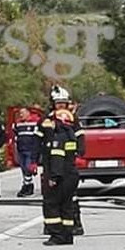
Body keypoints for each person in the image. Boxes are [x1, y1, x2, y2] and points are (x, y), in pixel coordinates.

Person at [38, 85, 85, 234]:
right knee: (50, 195)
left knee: (70, 196)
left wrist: (80, 154)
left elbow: (80, 137)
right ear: (53, 104)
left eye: (63, 103)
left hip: (68, 162)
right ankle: (52, 226)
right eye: (58, 103)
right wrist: (34, 159)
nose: (61, 106)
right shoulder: (46, 120)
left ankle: (75, 225)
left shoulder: (72, 119)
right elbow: (37, 139)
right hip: (50, 162)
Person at [39, 109, 78, 245]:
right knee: (66, 206)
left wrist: (53, 178)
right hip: (71, 175)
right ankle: (67, 235)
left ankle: (57, 235)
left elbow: (57, 160)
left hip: (60, 177)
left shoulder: (57, 138)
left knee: (51, 205)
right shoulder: (70, 136)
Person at [13, 107, 40, 197]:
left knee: (28, 168)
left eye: (23, 113)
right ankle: (28, 185)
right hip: (21, 149)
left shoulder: (35, 122)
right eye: (20, 113)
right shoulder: (18, 124)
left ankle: (27, 186)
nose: (21, 115)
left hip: (30, 149)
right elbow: (15, 134)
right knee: (23, 168)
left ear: (28, 113)